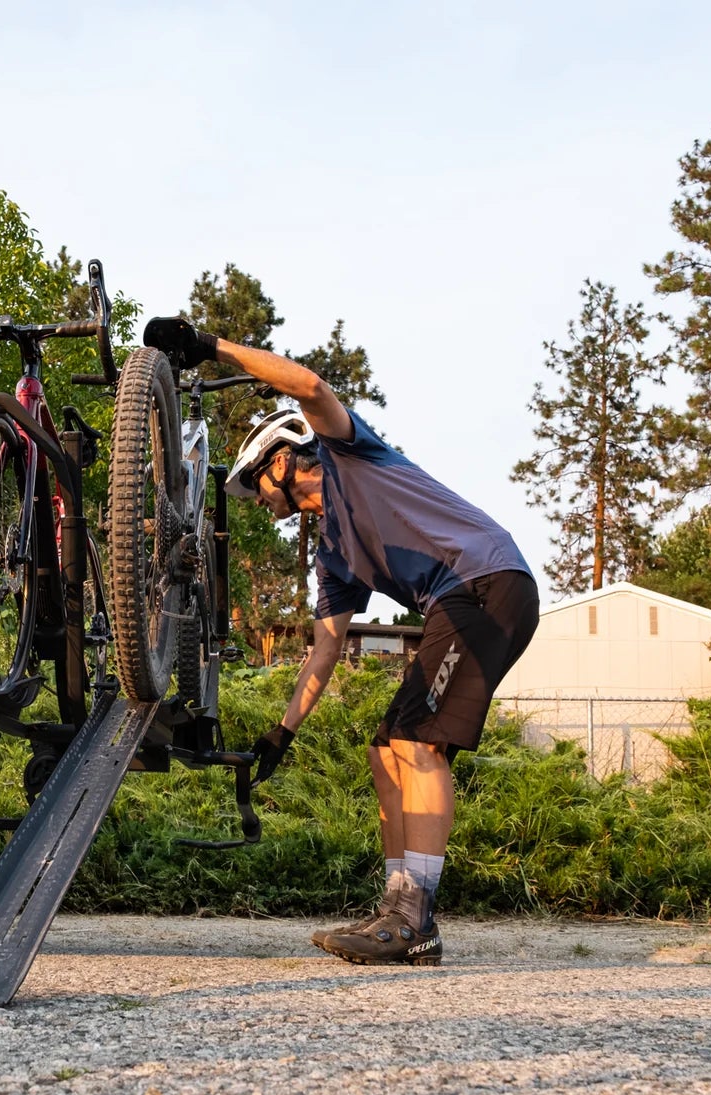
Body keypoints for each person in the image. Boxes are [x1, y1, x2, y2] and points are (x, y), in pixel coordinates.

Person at [144, 317, 541, 966]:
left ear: (281, 460)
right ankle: (398, 909)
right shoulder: (333, 555)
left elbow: (307, 385)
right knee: (386, 752)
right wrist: (281, 733)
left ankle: (414, 921)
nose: (256, 500)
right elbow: (324, 652)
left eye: (254, 484)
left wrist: (210, 347)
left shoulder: (351, 455)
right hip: (462, 599)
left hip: (486, 582)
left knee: (417, 745)